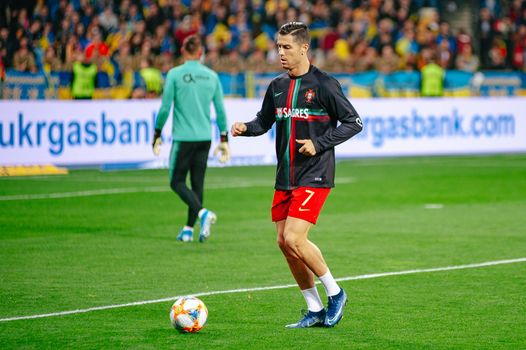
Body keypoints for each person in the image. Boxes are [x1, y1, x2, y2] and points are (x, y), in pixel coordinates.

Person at [231, 22, 363, 328]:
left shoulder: (325, 85)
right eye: (278, 47)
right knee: (283, 242)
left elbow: (353, 122)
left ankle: (336, 293)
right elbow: (263, 121)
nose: (280, 53)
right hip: (285, 175)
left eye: (286, 47)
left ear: (304, 48)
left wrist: (319, 144)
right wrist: (245, 128)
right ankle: (314, 308)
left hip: (315, 174)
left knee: (294, 237)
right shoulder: (277, 86)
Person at [152, 34, 230, 243]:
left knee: (176, 181)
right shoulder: (211, 76)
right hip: (205, 137)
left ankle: (202, 213)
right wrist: (224, 139)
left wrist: (157, 132)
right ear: (200, 53)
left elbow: (165, 107)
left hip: (184, 137)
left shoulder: (175, 74)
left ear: (183, 52)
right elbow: (221, 111)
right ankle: (188, 229)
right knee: (197, 184)